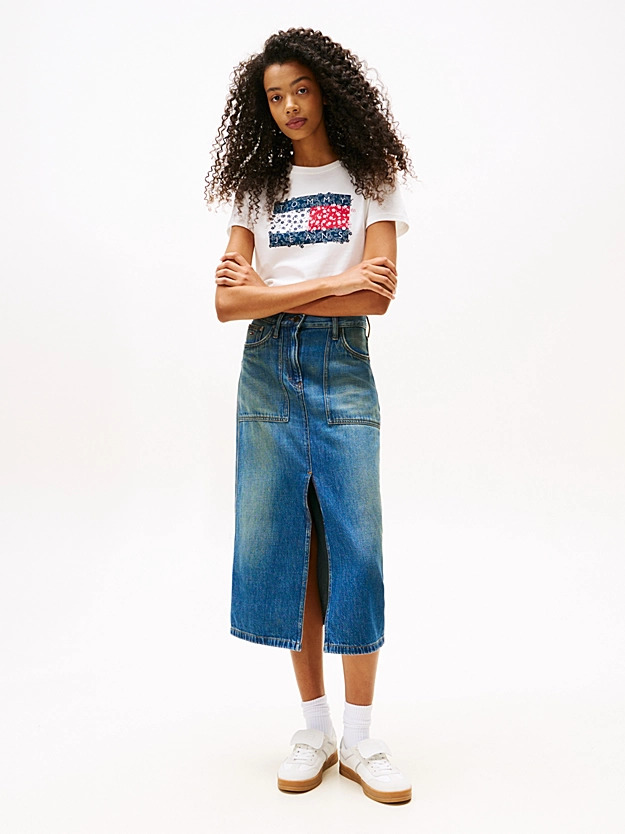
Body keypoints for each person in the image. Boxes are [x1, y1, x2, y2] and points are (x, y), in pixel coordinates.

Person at [204, 28, 415, 804]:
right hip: (266, 371)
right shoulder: (255, 189)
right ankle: (314, 729)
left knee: (355, 545)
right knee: (288, 547)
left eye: (300, 89)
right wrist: (328, 281)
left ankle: (360, 739)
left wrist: (274, 289)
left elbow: (377, 297)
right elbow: (227, 304)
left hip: (341, 368)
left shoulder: (370, 177)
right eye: (274, 96)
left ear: (326, 90)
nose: (289, 106)